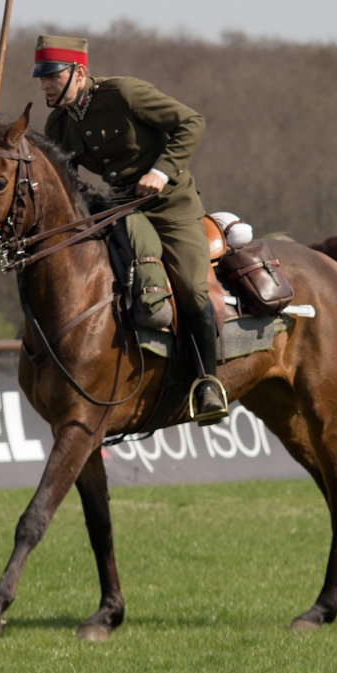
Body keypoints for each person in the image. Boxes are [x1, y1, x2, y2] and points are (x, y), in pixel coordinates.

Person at [32, 33, 228, 425]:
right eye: (42, 78)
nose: (46, 85)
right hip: (124, 210)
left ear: (79, 73)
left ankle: (207, 383)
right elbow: (68, 183)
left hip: (172, 206)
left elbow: (192, 121)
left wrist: (161, 171)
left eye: (53, 76)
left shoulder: (123, 94)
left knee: (191, 288)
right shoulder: (58, 125)